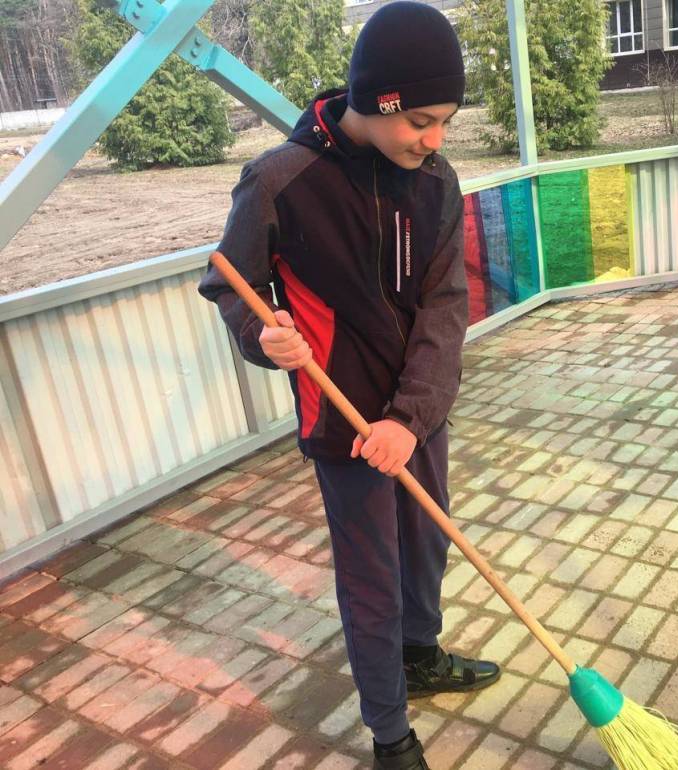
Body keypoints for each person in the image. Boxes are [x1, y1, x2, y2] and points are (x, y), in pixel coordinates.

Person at [198, 3, 500, 767]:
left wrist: (412, 416)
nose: (434, 140)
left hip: (416, 416)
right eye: (421, 122)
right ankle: (391, 734)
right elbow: (230, 285)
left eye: (445, 123)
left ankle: (419, 656)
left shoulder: (435, 181)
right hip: (345, 425)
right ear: (377, 100)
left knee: (426, 545)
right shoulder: (280, 180)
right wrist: (261, 334)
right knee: (373, 579)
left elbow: (445, 308)